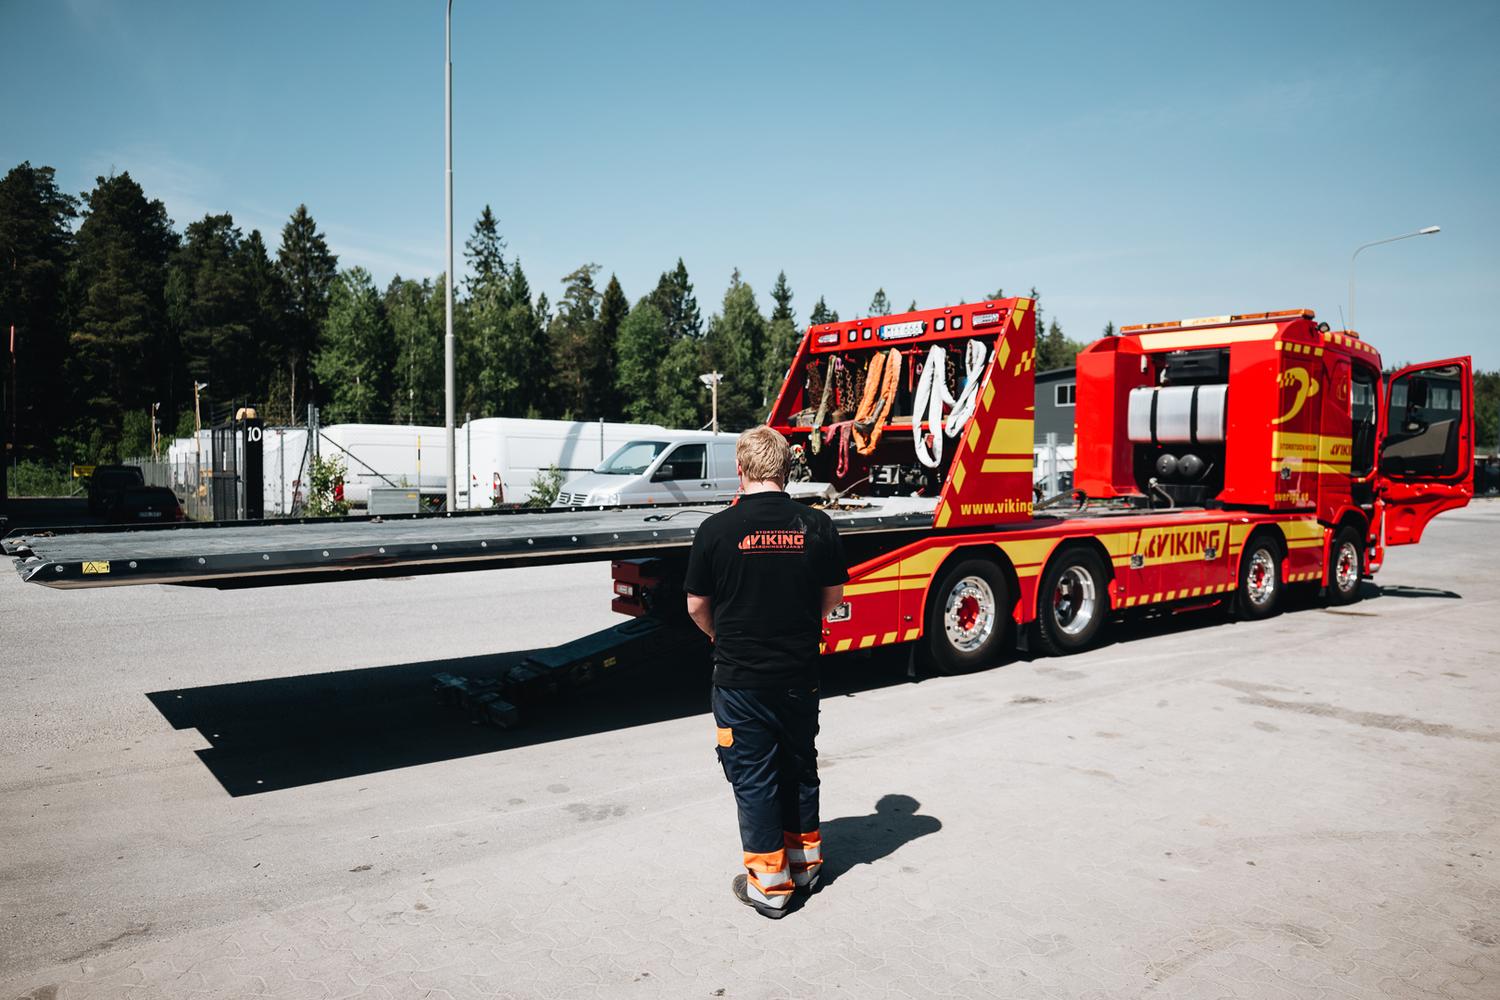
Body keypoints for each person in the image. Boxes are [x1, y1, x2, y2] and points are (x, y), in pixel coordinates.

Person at [684, 425, 848, 918]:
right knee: (799, 765)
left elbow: (696, 605)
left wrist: (720, 635)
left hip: (740, 682)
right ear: (786, 469)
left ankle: (770, 887)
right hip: (800, 676)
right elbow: (834, 598)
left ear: (741, 469)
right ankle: (806, 869)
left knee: (754, 777)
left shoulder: (716, 529)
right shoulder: (817, 526)